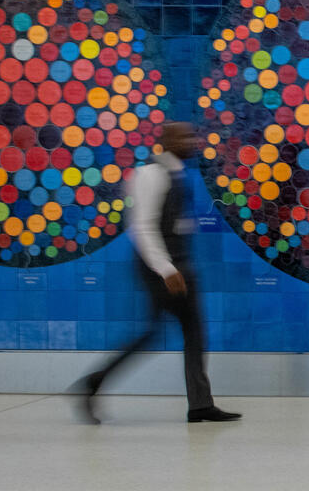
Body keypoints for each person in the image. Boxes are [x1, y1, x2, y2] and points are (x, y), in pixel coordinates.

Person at [76, 121, 241, 424]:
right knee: (161, 332)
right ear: (167, 141)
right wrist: (166, 269)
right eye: (185, 136)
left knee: (192, 332)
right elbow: (143, 227)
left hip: (178, 265)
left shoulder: (176, 173)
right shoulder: (150, 174)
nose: (192, 141)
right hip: (162, 268)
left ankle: (200, 404)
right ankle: (94, 382)